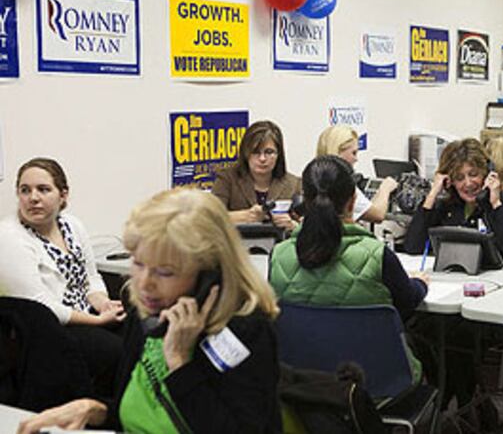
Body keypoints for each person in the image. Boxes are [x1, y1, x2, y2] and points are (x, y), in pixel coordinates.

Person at [18, 188, 282, 434]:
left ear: (209, 273)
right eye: (139, 263)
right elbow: (140, 416)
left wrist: (180, 363)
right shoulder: (148, 314)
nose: (144, 284)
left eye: (165, 272)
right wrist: (98, 411)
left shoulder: (244, 331)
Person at [269, 155, 428, 385]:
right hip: (376, 382)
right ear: (353, 201)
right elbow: (407, 304)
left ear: (303, 201)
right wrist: (420, 283)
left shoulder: (279, 256)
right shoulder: (377, 255)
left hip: (303, 381)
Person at [0, 158, 124, 395]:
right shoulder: (9, 237)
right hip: (52, 329)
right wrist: (99, 321)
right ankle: (106, 415)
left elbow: (91, 276)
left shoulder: (71, 225)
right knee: (116, 352)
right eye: (25, 191)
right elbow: (41, 305)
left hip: (87, 314)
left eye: (43, 189)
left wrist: (103, 303)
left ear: (63, 195)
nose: (33, 198)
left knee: (141, 332)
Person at [404, 138, 503, 264]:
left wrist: (495, 205)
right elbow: (413, 247)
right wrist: (432, 194)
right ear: (450, 181)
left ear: (486, 172)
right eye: (459, 178)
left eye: (473, 174)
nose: (468, 183)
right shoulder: (444, 207)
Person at [212, 120, 301, 231]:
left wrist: (294, 226)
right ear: (245, 153)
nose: (262, 159)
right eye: (255, 152)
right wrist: (245, 216)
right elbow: (210, 217)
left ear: (279, 154)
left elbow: (307, 222)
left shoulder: (294, 184)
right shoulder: (227, 179)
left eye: (269, 152)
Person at [316, 125, 398, 224]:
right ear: (337, 152)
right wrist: (385, 188)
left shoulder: (313, 179)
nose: (356, 159)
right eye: (353, 153)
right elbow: (378, 215)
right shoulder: (342, 186)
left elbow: (369, 208)